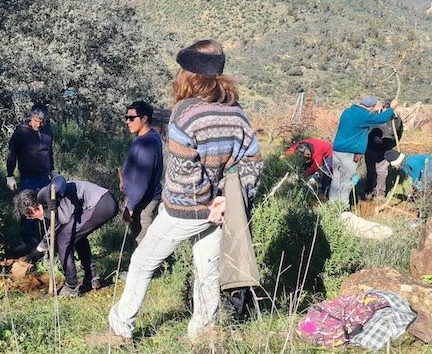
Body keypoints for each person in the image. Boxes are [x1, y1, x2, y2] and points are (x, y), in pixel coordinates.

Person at [108, 39, 263, 340]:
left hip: (186, 210)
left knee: (142, 262)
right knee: (207, 273)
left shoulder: (184, 113)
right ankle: (203, 333)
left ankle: (120, 326)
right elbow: (253, 163)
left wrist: (205, 204)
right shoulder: (237, 112)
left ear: (188, 74)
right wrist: (225, 202)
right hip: (222, 210)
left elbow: (184, 174)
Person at [14, 175, 118, 297]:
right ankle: (92, 278)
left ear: (32, 209)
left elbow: (59, 180)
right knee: (76, 236)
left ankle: (71, 286)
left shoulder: (43, 196)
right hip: (104, 202)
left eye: (30, 216)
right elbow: (53, 229)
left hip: (101, 204)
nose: (33, 219)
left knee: (63, 239)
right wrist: (37, 252)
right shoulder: (46, 206)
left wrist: (54, 193)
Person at [328, 96, 399, 207]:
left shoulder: (348, 111)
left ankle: (332, 203)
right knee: (347, 179)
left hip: (338, 149)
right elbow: (381, 119)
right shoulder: (363, 116)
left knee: (337, 177)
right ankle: (342, 206)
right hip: (349, 151)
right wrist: (392, 108)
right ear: (372, 107)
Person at [6, 104, 56, 254]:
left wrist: (52, 169)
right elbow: (12, 154)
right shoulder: (21, 131)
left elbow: (49, 151)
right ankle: (27, 242)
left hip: (44, 177)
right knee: (28, 209)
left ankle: (46, 244)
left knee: (47, 208)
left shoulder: (47, 130)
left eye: (41, 121)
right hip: (28, 177)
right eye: (35, 120)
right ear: (31, 117)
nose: (38, 124)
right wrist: (10, 175)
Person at [121, 101, 163, 246]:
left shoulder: (146, 143)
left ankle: (148, 269)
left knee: (143, 243)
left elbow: (142, 181)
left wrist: (131, 207)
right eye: (126, 118)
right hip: (143, 198)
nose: (128, 122)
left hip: (144, 201)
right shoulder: (150, 136)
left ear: (144, 119)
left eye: (132, 118)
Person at [364, 100, 403, 200]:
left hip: (386, 150)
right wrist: (373, 137)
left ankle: (380, 194)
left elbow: (399, 134)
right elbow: (365, 130)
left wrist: (391, 145)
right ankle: (369, 191)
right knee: (371, 171)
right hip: (371, 148)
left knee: (382, 171)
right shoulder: (373, 115)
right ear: (382, 107)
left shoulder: (396, 119)